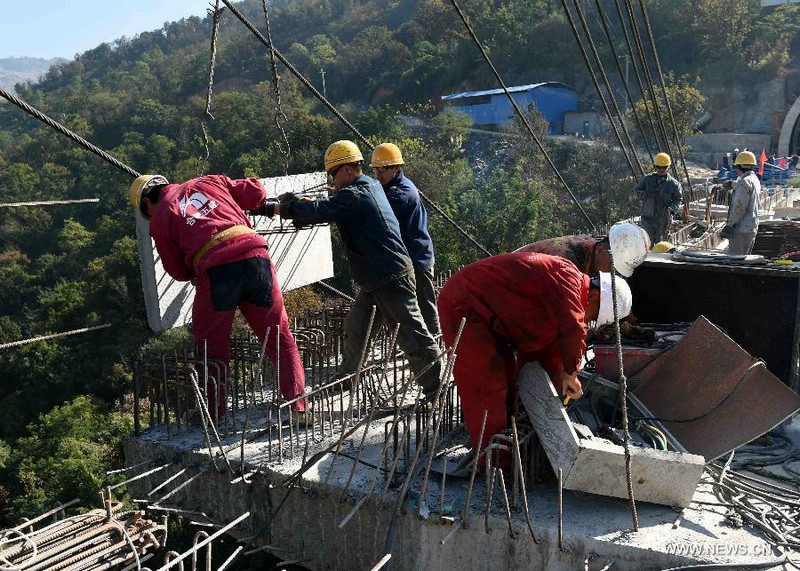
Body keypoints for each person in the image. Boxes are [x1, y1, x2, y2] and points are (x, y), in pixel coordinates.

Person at [129, 174, 310, 423]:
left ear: (147, 203)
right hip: (256, 257)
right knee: (280, 337)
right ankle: (299, 408)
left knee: (210, 348)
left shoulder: (160, 218)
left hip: (216, 273)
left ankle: (214, 414)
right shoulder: (209, 181)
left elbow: (178, 271)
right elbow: (257, 192)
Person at [273, 140, 442, 399]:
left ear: (349, 170)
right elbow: (331, 205)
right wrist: (301, 205)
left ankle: (434, 389)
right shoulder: (369, 186)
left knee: (412, 334)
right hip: (375, 278)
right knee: (357, 327)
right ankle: (348, 377)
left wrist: (283, 208)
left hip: (390, 276)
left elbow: (325, 210)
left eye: (334, 173)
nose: (333, 179)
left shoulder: (357, 193)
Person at [437, 252, 632, 462]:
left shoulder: (565, 287)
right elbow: (573, 328)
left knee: (510, 371)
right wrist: (571, 373)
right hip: (465, 305)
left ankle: (509, 433)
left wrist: (555, 391)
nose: (588, 320)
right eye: (592, 316)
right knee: (487, 382)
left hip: (490, 313)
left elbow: (547, 349)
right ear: (593, 296)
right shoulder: (567, 280)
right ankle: (494, 461)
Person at [370, 143, 440, 339]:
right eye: (375, 169)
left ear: (396, 168)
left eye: (382, 169)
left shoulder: (402, 192)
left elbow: (377, 211)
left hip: (418, 260)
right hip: (403, 262)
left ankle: (436, 348)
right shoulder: (387, 187)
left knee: (425, 309)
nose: (378, 174)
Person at [515, 222, 651, 278]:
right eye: (612, 266)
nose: (612, 274)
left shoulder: (589, 249)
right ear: (600, 249)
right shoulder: (565, 261)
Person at [634, 152, 683, 244]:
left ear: (668, 167)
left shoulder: (673, 184)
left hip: (663, 219)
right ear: (655, 166)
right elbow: (637, 191)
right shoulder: (647, 180)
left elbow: (678, 198)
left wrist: (671, 209)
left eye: (664, 167)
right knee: (647, 242)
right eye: (658, 167)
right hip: (647, 218)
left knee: (661, 243)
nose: (661, 169)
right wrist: (646, 194)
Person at [721, 150, 760, 255]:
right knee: (743, 259)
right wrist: (733, 184)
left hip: (741, 229)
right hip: (751, 227)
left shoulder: (744, 182)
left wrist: (730, 225)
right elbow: (745, 188)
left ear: (738, 167)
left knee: (734, 261)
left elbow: (740, 206)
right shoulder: (754, 179)